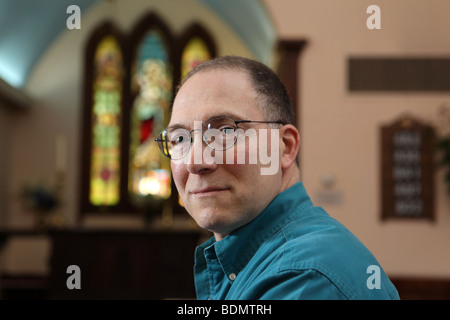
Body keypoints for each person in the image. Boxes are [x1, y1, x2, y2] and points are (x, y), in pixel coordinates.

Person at [155, 55, 400, 300]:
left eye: (225, 131)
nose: (195, 162)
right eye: (179, 139)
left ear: (284, 146)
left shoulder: (303, 278)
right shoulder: (259, 261)